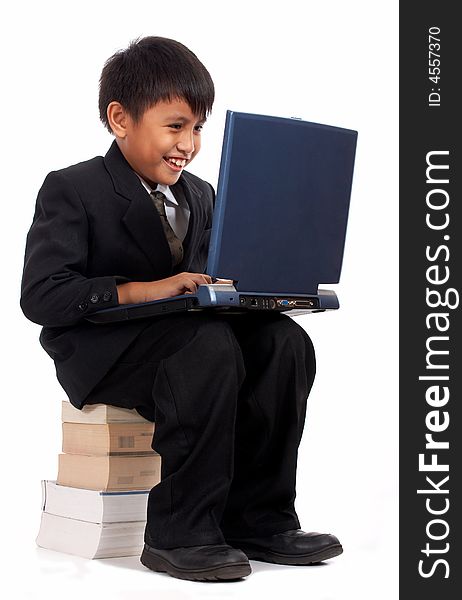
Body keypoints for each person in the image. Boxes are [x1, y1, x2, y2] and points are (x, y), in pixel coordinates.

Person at [20, 36, 343, 582]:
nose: (188, 144)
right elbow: (43, 295)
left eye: (197, 129)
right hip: (106, 348)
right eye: (175, 126)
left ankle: (259, 519)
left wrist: (250, 292)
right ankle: (179, 532)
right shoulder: (73, 188)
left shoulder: (202, 193)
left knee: (284, 342)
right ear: (120, 118)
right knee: (208, 346)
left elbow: (201, 284)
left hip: (187, 335)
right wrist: (151, 289)